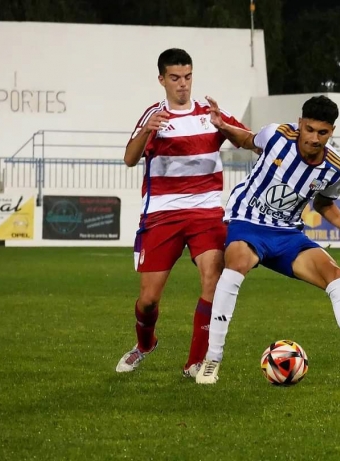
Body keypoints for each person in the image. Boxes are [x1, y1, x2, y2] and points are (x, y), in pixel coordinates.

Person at [195, 95, 340, 385]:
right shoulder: (277, 134)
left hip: (288, 233)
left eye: (322, 132)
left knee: (336, 276)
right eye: (309, 129)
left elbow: (325, 205)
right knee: (236, 264)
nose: (314, 138)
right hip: (248, 221)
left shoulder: (335, 167)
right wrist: (222, 125)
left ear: (331, 131)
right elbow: (249, 140)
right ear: (300, 123)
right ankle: (212, 359)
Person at [115, 48, 247, 376]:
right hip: (162, 216)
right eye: (175, 78)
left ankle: (195, 362)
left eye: (187, 77)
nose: (183, 84)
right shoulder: (153, 116)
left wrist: (225, 127)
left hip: (206, 214)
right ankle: (145, 344)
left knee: (211, 280)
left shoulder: (210, 113)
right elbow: (130, 159)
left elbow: (249, 141)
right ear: (162, 80)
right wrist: (148, 130)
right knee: (148, 300)